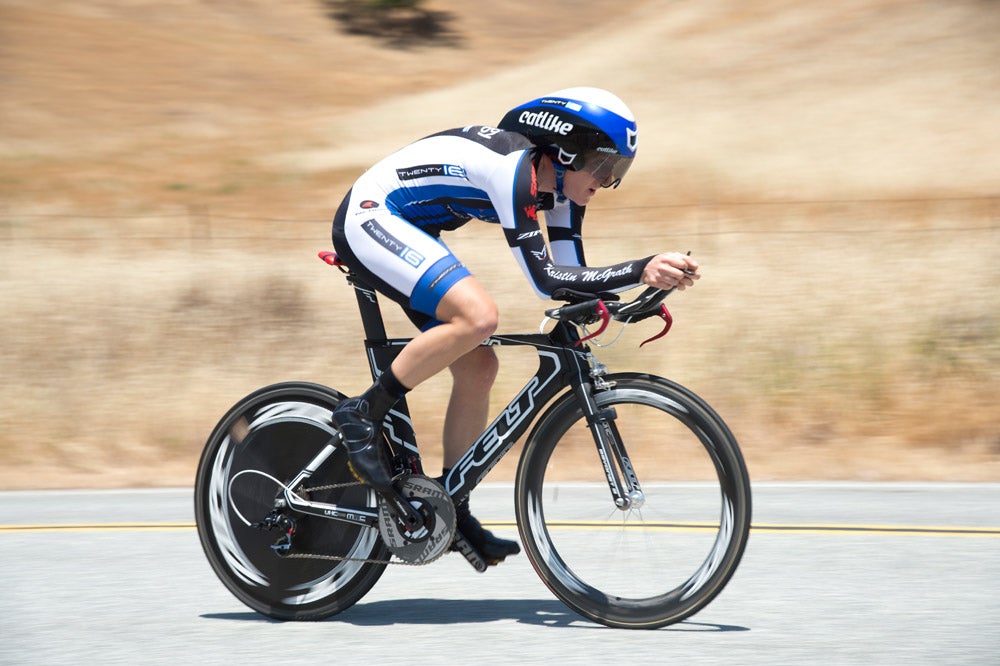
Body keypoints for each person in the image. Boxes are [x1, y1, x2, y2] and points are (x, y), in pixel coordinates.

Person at [330, 87, 700, 565]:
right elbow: (546, 279)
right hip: (372, 217)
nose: (607, 182)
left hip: (412, 229)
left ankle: (452, 505)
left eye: (618, 174)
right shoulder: (515, 170)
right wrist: (639, 268)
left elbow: (574, 282)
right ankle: (361, 413)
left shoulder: (562, 190)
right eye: (605, 167)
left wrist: (632, 299)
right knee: (479, 317)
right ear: (566, 150)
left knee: (479, 366)